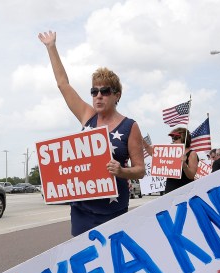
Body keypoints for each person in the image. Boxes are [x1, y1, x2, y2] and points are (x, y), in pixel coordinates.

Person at [38, 31, 145, 236]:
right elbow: (63, 85)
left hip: (113, 210)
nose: (98, 96)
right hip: (82, 209)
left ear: (117, 95)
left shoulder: (130, 126)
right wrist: (51, 47)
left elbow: (140, 169)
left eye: (105, 91)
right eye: (94, 91)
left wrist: (122, 172)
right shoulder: (88, 116)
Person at [164, 127, 199, 194]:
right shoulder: (171, 152)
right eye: (172, 138)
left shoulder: (192, 154)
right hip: (170, 190)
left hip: (184, 191)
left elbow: (191, 176)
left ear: (184, 138)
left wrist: (184, 165)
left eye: (176, 138)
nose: (173, 140)